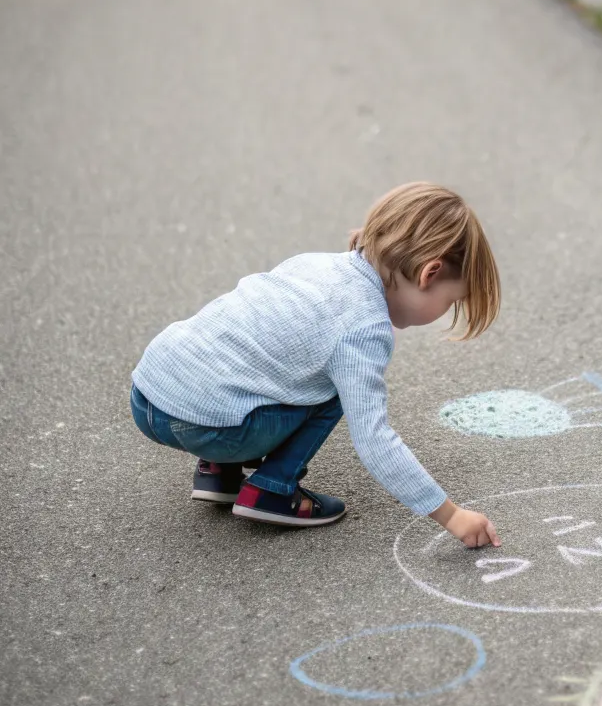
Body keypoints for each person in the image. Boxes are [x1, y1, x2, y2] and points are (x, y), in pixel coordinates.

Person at [130, 183, 502, 546]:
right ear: (429, 273)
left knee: (260, 362)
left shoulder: (312, 263)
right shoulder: (364, 329)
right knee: (335, 389)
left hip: (148, 396)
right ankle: (271, 490)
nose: (446, 311)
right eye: (451, 301)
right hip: (211, 429)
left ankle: (218, 472)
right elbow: (373, 438)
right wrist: (451, 515)